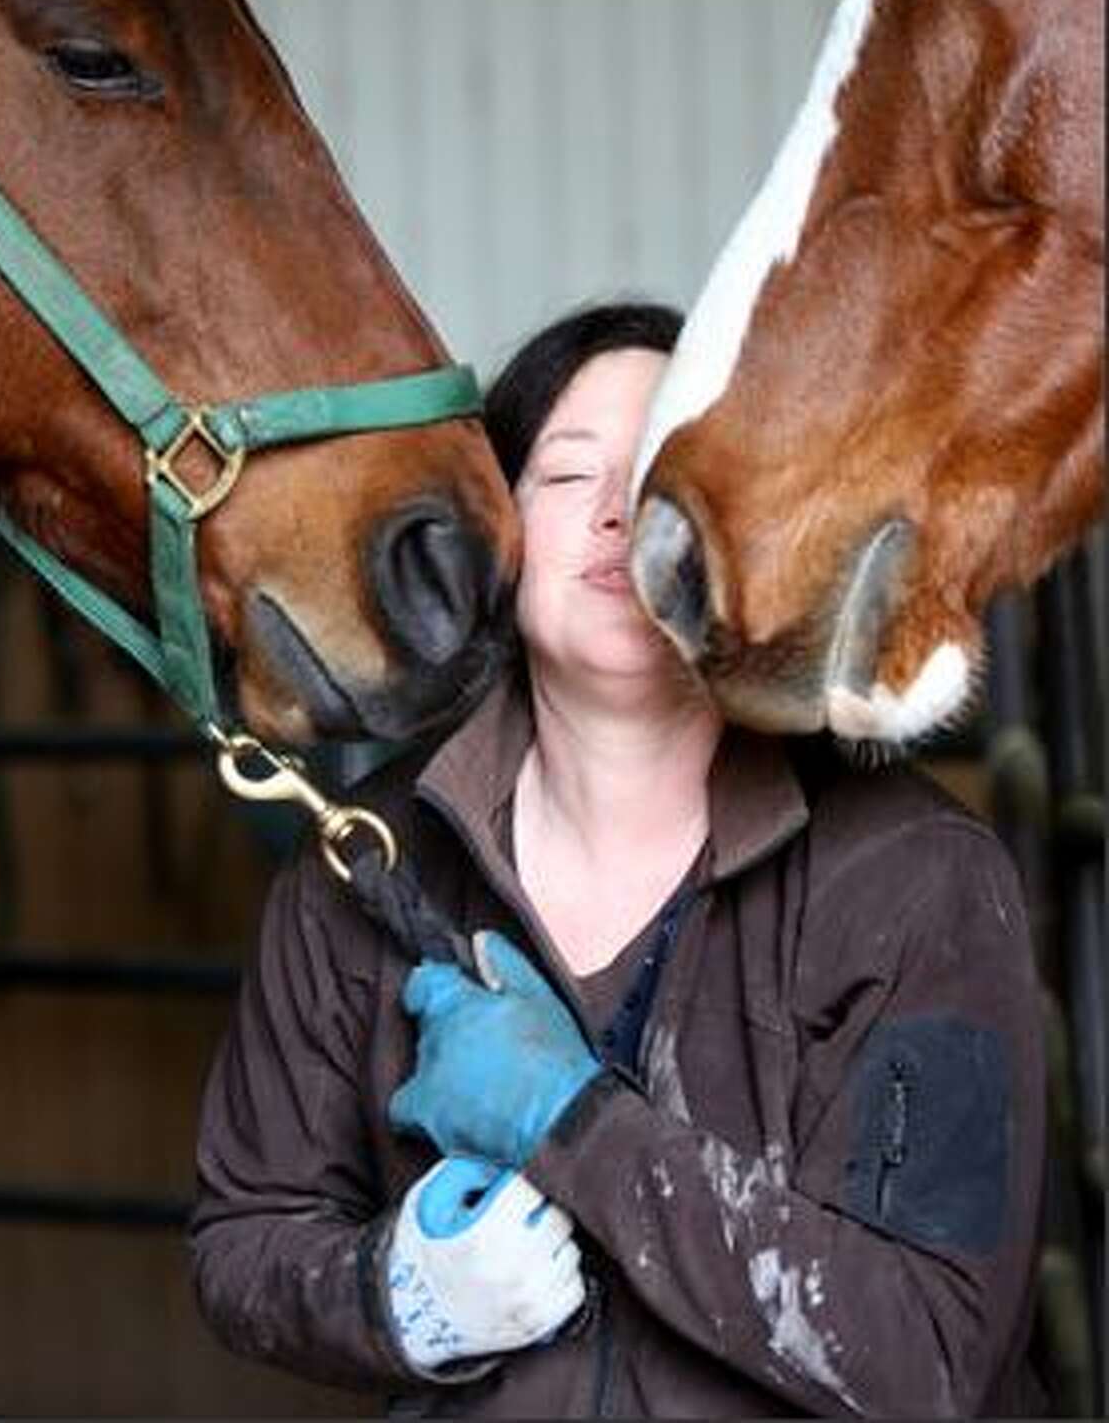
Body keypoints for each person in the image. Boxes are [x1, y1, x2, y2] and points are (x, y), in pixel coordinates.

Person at [189, 299, 1048, 1417]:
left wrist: (577, 1124)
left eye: (660, 468)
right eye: (564, 476)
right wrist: (398, 1297)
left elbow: (931, 1352)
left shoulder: (916, 881)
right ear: (496, 534)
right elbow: (244, 1238)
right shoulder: (364, 873)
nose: (613, 514)